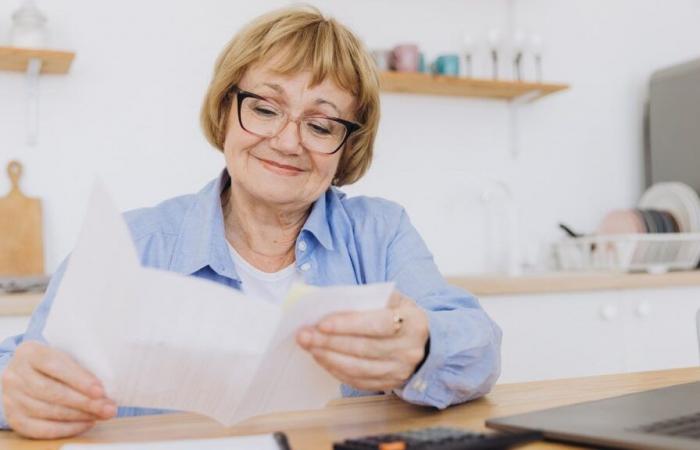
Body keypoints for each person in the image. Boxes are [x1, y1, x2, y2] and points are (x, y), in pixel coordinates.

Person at [0, 6, 502, 439]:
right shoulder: (131, 244)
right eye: (264, 109)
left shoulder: (380, 234)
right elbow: (25, 367)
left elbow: (477, 346)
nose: (287, 141)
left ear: (347, 145)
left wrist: (423, 348)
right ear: (225, 113)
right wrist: (17, 395)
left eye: (321, 124)